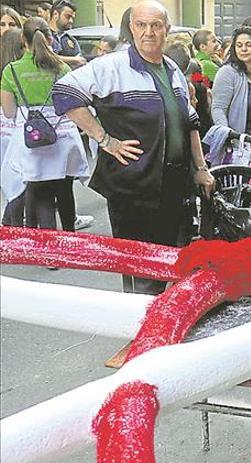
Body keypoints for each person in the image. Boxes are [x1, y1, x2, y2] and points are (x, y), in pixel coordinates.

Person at [53, 0, 215, 294]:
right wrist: (105, 140)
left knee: (166, 263)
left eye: (156, 25)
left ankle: (158, 322)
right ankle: (139, 327)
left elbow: (190, 123)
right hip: (132, 187)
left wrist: (201, 168)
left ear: (167, 30)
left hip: (172, 185)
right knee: (139, 269)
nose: (149, 32)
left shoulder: (173, 71)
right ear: (131, 29)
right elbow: (64, 92)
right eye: (141, 25)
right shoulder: (111, 67)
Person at [1, 17, 89, 232]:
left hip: (32, 142)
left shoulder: (11, 71)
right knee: (64, 189)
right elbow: (74, 104)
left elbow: (9, 112)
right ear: (50, 38)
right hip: (64, 141)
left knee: (40, 192)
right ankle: (69, 235)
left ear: (23, 38)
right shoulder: (63, 69)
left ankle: (46, 247)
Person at [212, 26, 251, 140]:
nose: (243, 49)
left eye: (249, 45)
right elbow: (218, 109)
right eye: (239, 45)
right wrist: (228, 137)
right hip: (244, 145)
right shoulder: (228, 73)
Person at [1, 27, 25, 227]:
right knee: (20, 180)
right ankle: (12, 224)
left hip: (3, 133)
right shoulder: (17, 71)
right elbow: (11, 111)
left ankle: (10, 221)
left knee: (8, 178)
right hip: (15, 131)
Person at [48, 0, 85, 69]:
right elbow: (46, 58)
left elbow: (80, 61)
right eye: (68, 16)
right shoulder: (43, 35)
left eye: (72, 18)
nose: (71, 21)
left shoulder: (72, 40)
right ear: (55, 14)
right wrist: (73, 60)